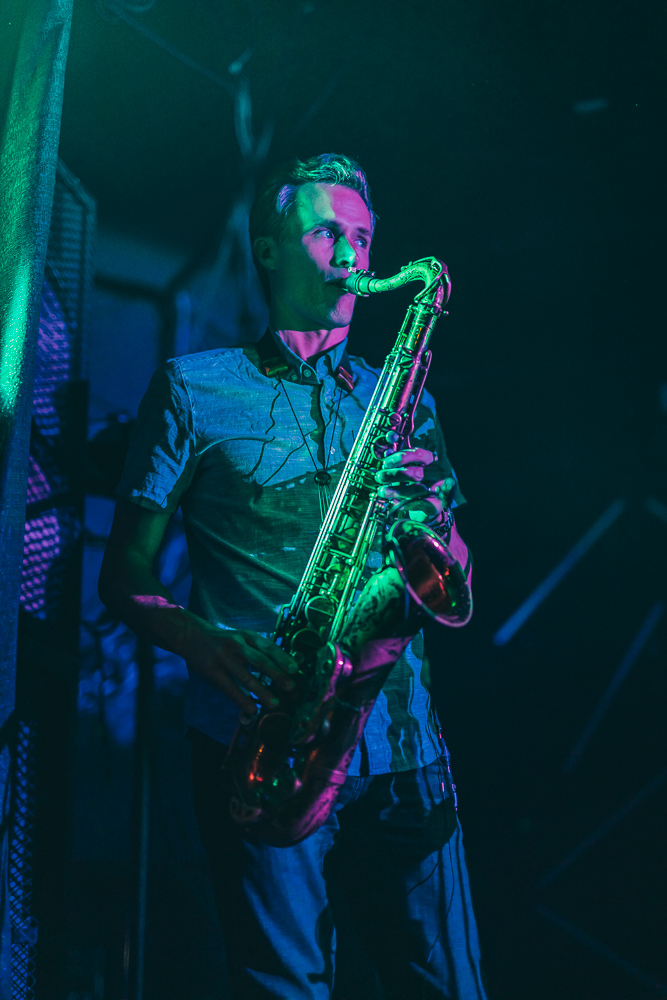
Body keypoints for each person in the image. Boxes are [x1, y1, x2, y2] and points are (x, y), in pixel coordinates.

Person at [99, 153, 488, 1000]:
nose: (351, 254)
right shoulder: (194, 390)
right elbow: (123, 580)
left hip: (402, 746)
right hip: (263, 736)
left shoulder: (401, 396)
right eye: (325, 232)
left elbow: (454, 586)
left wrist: (433, 525)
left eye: (362, 235)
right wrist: (203, 643)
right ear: (269, 250)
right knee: (284, 988)